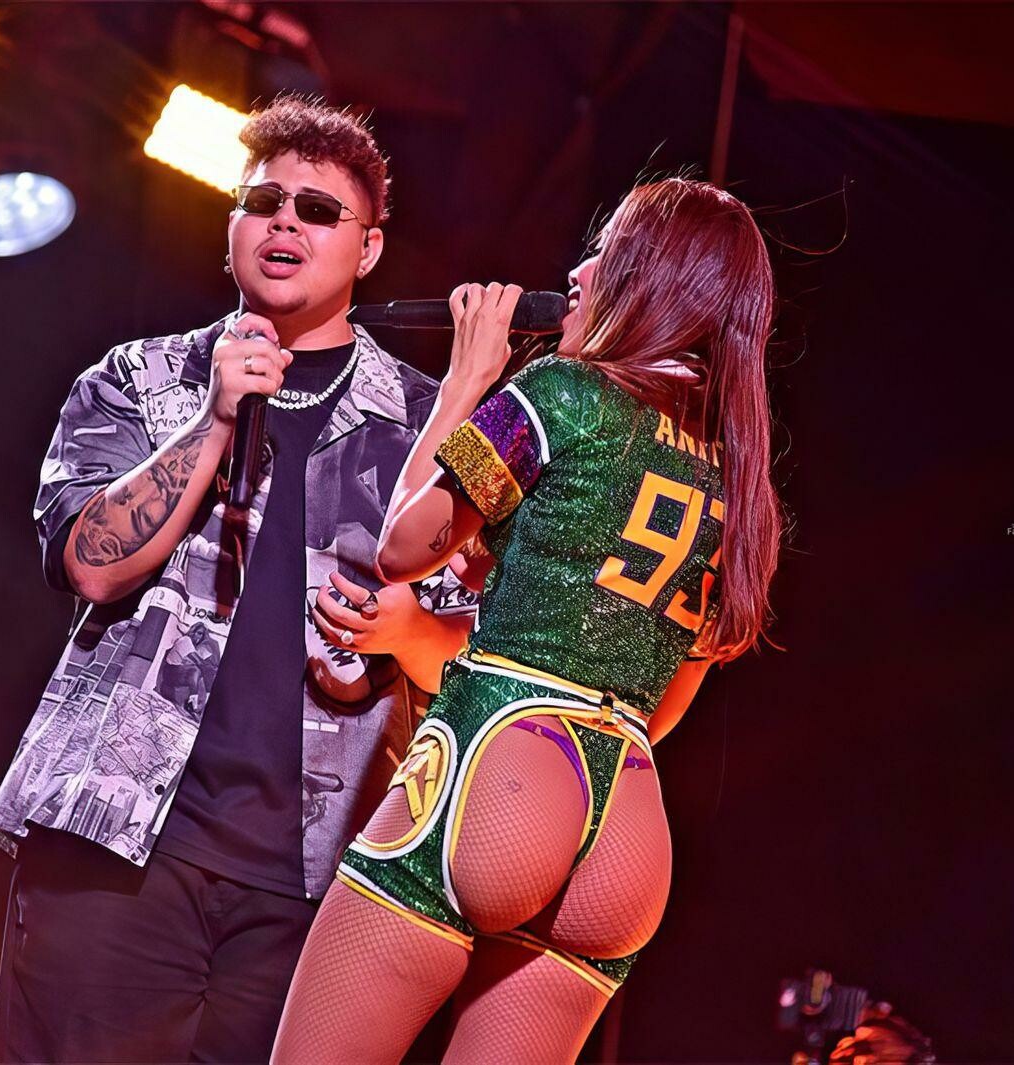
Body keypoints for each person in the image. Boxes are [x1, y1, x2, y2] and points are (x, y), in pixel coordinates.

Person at [0, 96, 482, 1063]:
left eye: (318, 210)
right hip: (119, 842)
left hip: (316, 883)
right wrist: (212, 422)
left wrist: (398, 629)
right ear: (232, 229)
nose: (285, 221)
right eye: (263, 202)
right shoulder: (140, 379)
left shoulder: (427, 428)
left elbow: (471, 656)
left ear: (369, 249)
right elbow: (88, 563)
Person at [273, 177, 782, 1063]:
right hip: (627, 827)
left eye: (606, 251)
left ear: (651, 278)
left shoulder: (563, 394)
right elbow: (665, 706)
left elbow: (402, 547)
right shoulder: (740, 483)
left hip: (501, 770)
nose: (578, 273)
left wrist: (469, 376)